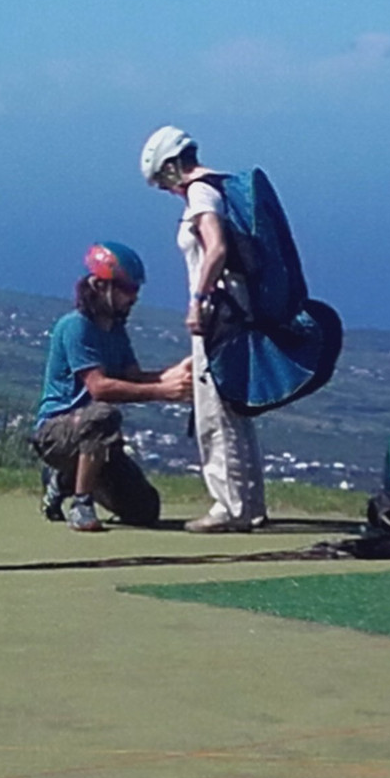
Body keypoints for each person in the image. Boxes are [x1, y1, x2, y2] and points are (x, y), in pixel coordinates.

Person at [140, 125, 268, 532]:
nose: (165, 188)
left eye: (163, 179)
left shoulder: (200, 193)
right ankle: (248, 504)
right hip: (234, 308)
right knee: (233, 407)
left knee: (214, 409)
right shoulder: (219, 187)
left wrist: (198, 300)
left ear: (174, 165)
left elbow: (216, 247)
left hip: (218, 313)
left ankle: (228, 507)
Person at [32, 241, 193, 532]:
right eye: (127, 289)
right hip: (56, 431)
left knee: (144, 510)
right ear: (99, 285)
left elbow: (132, 377)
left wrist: (172, 374)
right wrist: (163, 391)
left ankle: (64, 479)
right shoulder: (76, 326)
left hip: (98, 437)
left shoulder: (116, 331)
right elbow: (100, 388)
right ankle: (81, 503)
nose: (133, 298)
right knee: (103, 414)